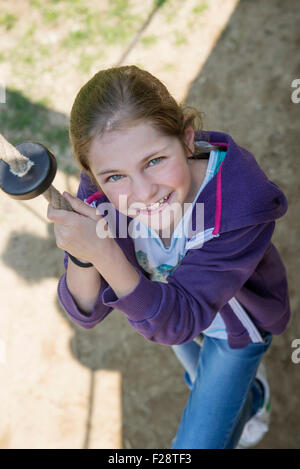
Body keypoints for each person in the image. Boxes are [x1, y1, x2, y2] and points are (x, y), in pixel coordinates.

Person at [47, 65, 290, 449]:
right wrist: (83, 257)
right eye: (114, 176)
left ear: (187, 140)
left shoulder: (240, 208)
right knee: (200, 378)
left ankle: (248, 395)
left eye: (154, 160)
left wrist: (105, 253)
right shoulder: (101, 194)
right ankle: (249, 397)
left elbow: (181, 321)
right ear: (94, 175)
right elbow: (86, 312)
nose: (142, 192)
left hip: (230, 326)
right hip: (157, 301)